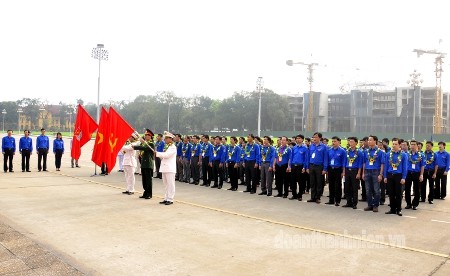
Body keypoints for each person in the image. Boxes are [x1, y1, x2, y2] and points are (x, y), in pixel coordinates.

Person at [384, 138, 408, 216]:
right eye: (393, 144)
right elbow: (386, 166)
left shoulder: (403, 154)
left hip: (399, 176)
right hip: (390, 175)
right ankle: (392, 209)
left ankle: (399, 209)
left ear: (399, 145)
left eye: (395, 144)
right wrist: (385, 176)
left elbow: (405, 167)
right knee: (391, 193)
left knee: (398, 193)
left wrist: (403, 177)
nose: (394, 146)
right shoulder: (388, 154)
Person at [362, 135, 385, 212]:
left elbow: (382, 164)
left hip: (376, 171)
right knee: (368, 189)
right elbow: (364, 163)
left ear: (375, 141)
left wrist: (381, 174)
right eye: (368, 140)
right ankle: (369, 204)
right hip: (367, 171)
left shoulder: (380, 152)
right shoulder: (366, 151)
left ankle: (375, 205)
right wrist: (363, 173)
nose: (368, 141)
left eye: (370, 140)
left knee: (376, 190)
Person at [305, 132, 328, 204]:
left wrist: (325, 169)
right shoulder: (311, 146)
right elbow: (308, 157)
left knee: (319, 182)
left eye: (316, 137)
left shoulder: (324, 147)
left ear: (320, 138)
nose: (314, 138)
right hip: (311, 166)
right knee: (312, 182)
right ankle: (313, 197)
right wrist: (307, 167)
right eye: (313, 137)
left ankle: (318, 197)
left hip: (319, 166)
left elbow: (325, 158)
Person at [133, 129, 155, 199]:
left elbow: (144, 148)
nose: (145, 136)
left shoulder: (150, 144)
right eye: (145, 135)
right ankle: (145, 192)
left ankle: (149, 194)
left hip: (148, 164)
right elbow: (141, 146)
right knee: (144, 180)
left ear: (150, 136)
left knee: (148, 180)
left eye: (147, 135)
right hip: (143, 164)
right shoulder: (145, 143)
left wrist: (135, 147)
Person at [156, 131, 177, 205]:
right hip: (165, 168)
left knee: (170, 184)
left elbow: (167, 155)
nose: (165, 139)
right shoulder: (166, 146)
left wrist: (157, 153)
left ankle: (170, 199)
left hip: (170, 168)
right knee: (165, 184)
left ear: (170, 139)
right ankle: (166, 197)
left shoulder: (173, 147)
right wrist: (158, 153)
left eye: (166, 138)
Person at [342, 137, 362, 209]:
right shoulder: (347, 151)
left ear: (356, 143)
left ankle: (354, 203)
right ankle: (348, 202)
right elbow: (344, 162)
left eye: (352, 142)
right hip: (347, 170)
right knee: (347, 187)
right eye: (349, 142)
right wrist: (344, 171)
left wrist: (359, 173)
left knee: (354, 188)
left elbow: (360, 164)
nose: (350, 143)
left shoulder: (359, 152)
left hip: (355, 170)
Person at [405, 140, 425, 210]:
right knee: (407, 189)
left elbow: (422, 166)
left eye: (414, 144)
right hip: (408, 173)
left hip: (417, 173)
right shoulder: (407, 154)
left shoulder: (421, 155)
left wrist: (421, 175)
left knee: (417, 189)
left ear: (417, 146)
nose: (412, 146)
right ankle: (408, 203)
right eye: (411, 144)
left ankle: (415, 204)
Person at [326, 136, 346, 206]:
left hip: (338, 169)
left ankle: (337, 200)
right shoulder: (329, 150)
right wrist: (327, 169)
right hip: (331, 168)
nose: (333, 143)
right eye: (332, 141)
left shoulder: (342, 151)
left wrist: (343, 171)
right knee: (331, 184)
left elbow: (344, 162)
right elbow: (327, 160)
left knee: (338, 185)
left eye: (335, 141)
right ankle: (331, 199)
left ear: (339, 142)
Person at [290, 135, 308, 201]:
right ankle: (294, 195)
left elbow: (306, 159)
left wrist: (304, 167)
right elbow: (291, 157)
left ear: (302, 139)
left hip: (300, 166)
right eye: (297, 138)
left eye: (299, 138)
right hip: (293, 166)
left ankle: (300, 195)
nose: (297, 139)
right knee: (293, 181)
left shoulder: (305, 148)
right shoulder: (294, 148)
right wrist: (290, 166)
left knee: (301, 182)